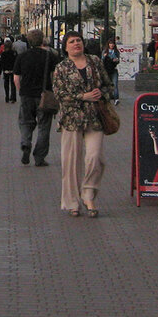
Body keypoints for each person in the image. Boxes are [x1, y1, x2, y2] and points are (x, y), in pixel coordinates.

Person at [52, 31, 113, 217]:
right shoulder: (61, 68)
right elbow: (59, 94)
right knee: (71, 162)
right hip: (72, 118)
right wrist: (82, 96)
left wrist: (101, 94)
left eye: (78, 40)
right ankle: (72, 202)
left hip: (95, 116)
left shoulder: (94, 61)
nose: (76, 44)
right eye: (72, 42)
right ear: (65, 47)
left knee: (96, 158)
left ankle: (88, 193)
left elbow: (108, 85)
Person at [12, 29, 58, 168]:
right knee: (44, 126)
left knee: (25, 122)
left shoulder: (22, 56)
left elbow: (16, 78)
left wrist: (21, 91)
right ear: (42, 40)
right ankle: (39, 158)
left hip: (26, 95)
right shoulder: (50, 56)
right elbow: (55, 76)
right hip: (44, 95)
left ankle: (26, 143)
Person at [102, 38, 121, 106]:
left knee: (115, 84)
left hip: (113, 69)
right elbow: (102, 60)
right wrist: (104, 57)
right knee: (107, 84)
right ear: (108, 44)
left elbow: (118, 60)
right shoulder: (105, 51)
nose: (111, 45)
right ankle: (107, 97)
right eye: (110, 44)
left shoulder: (116, 52)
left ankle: (116, 98)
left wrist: (116, 60)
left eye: (113, 44)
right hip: (106, 70)